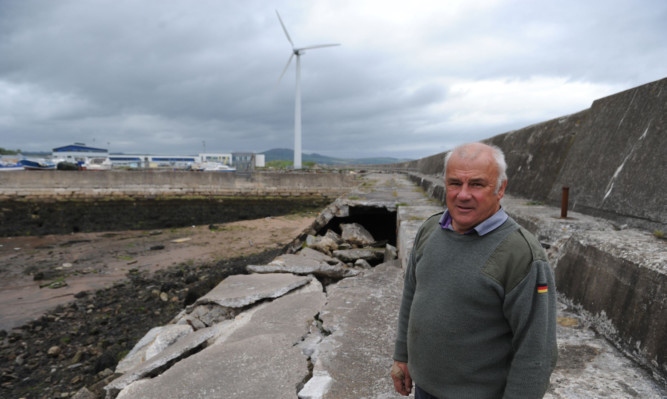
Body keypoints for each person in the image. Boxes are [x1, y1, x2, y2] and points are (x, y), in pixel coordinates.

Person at [391, 142, 557, 398]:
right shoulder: (430, 230)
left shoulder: (521, 254)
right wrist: (402, 355)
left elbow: (536, 349)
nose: (463, 194)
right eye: (455, 183)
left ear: (500, 188)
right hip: (423, 389)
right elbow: (412, 295)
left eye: (477, 184)